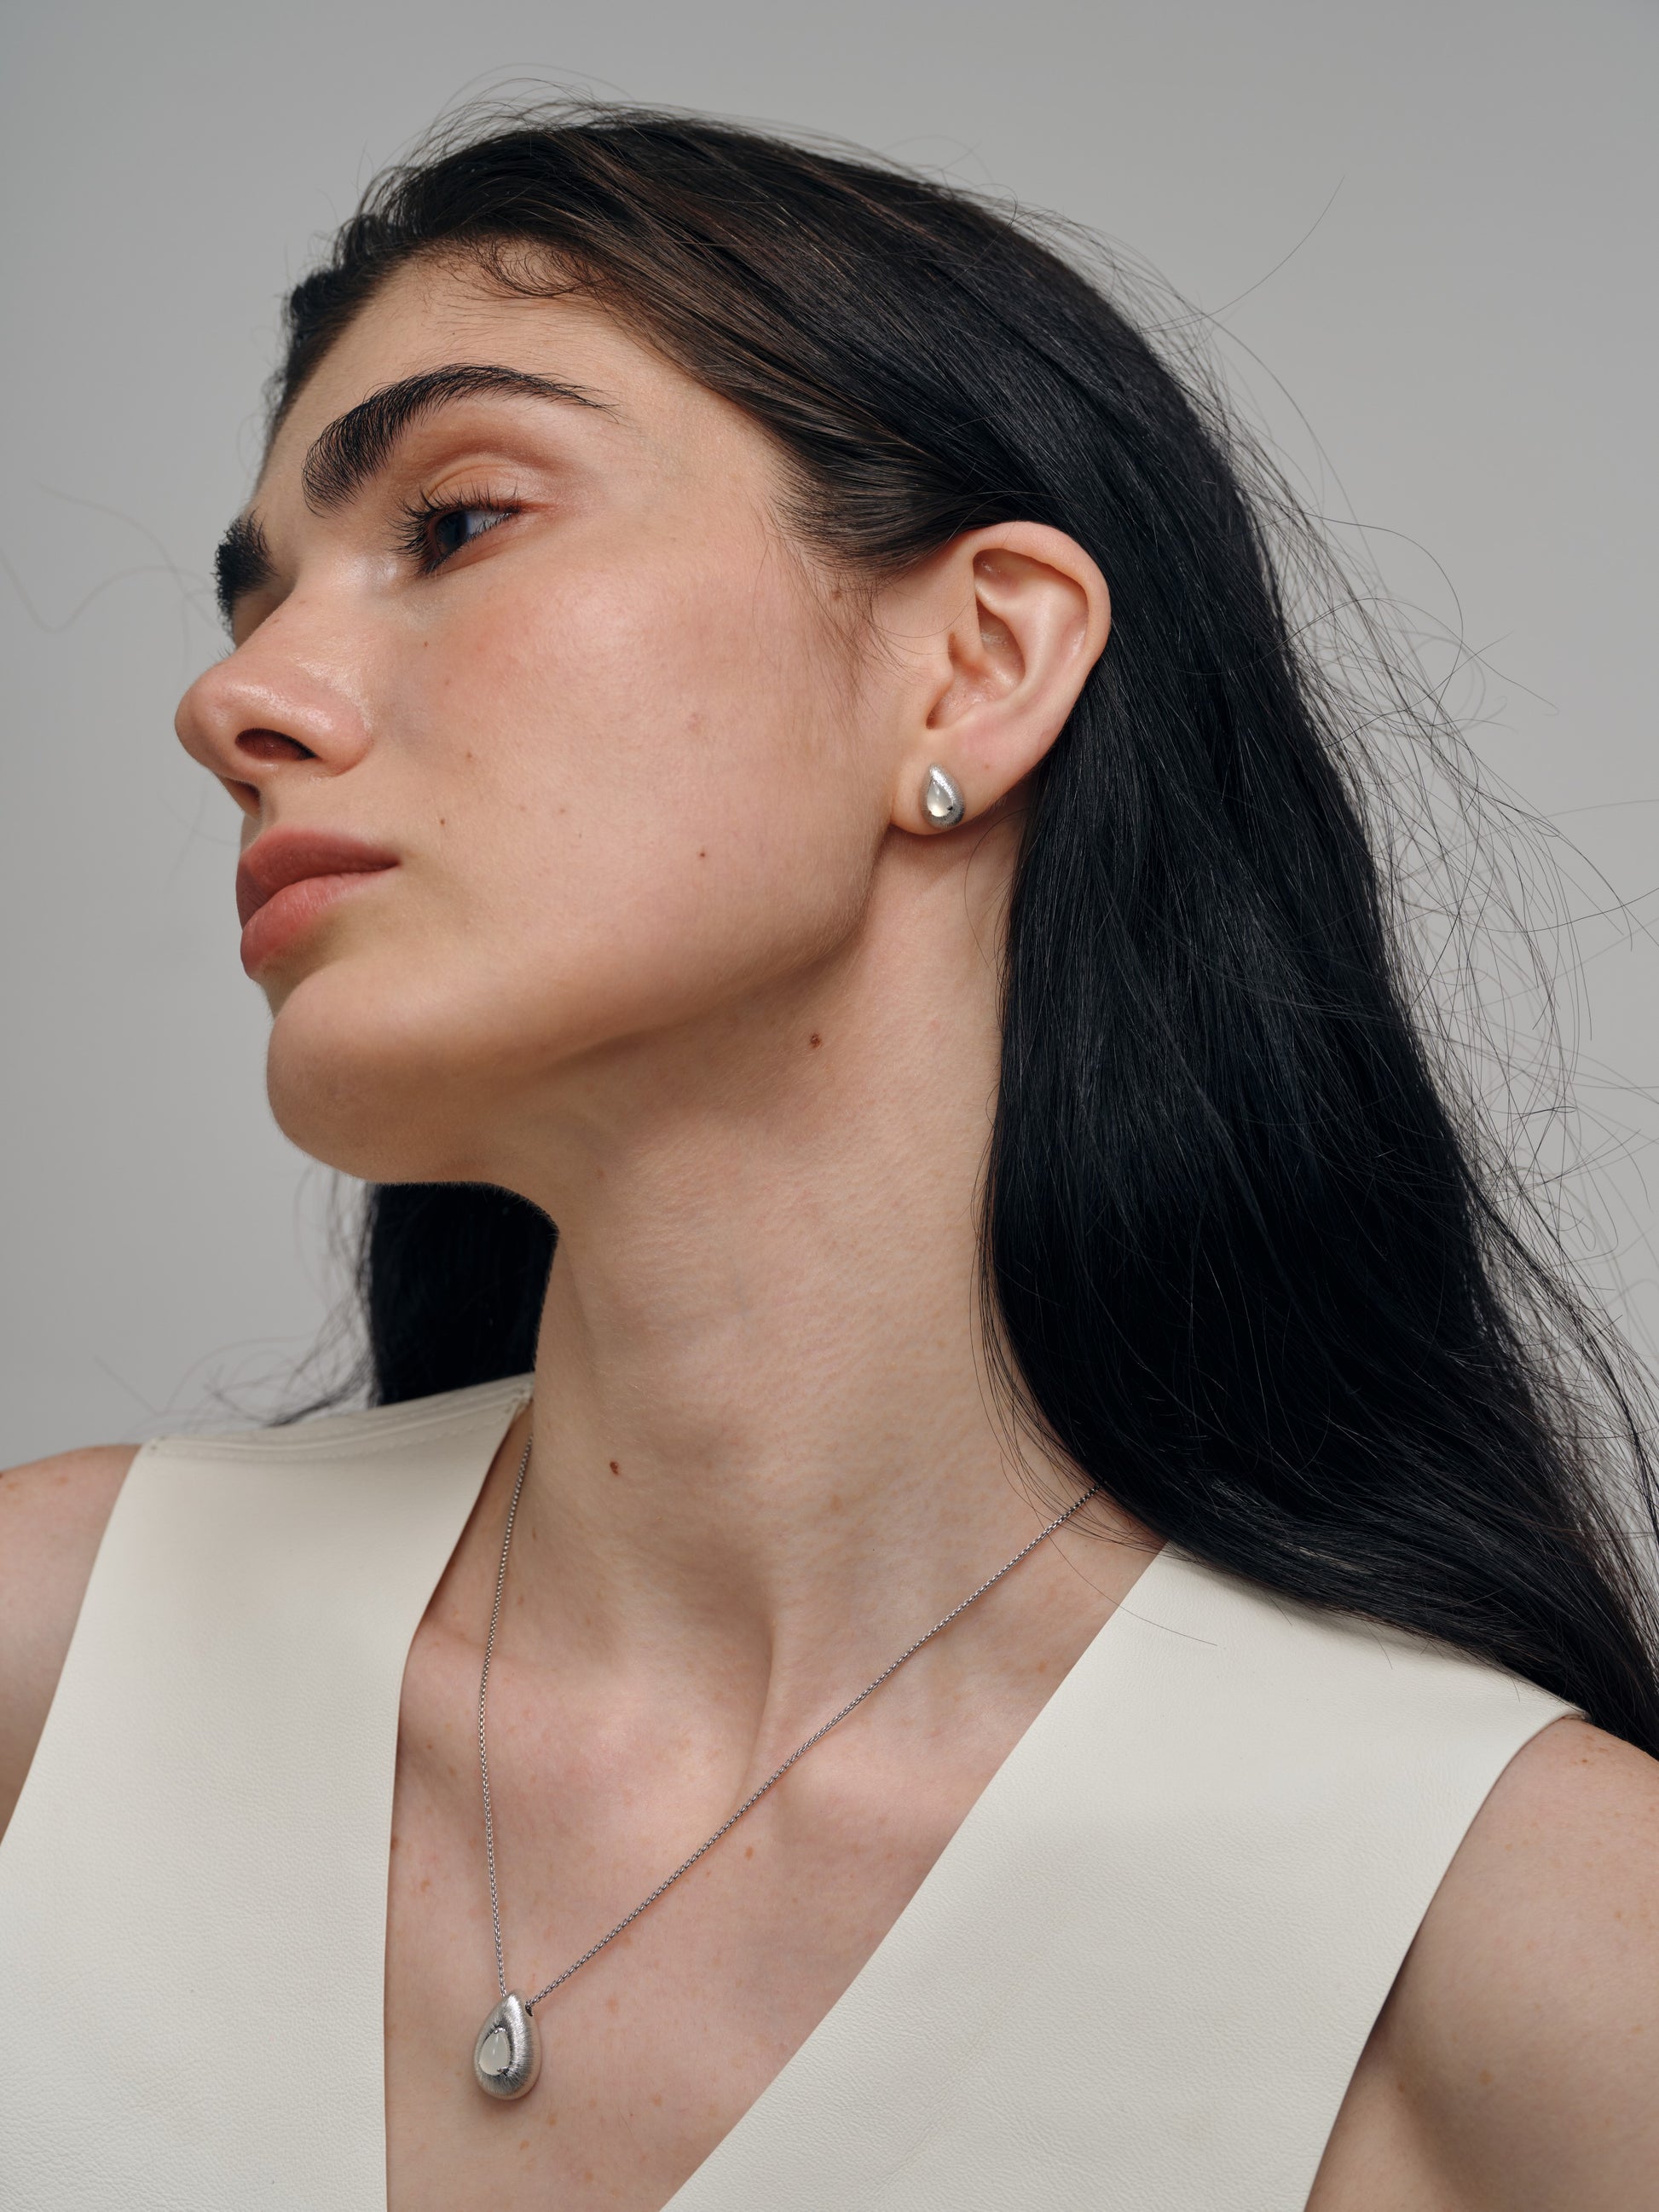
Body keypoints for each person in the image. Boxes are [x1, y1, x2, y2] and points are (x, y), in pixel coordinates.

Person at [2, 101, 1656, 2211]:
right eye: (258, 598)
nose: (233, 698)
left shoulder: (1516, 1949)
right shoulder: (51, 1668)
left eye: (456, 520)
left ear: (973, 662)